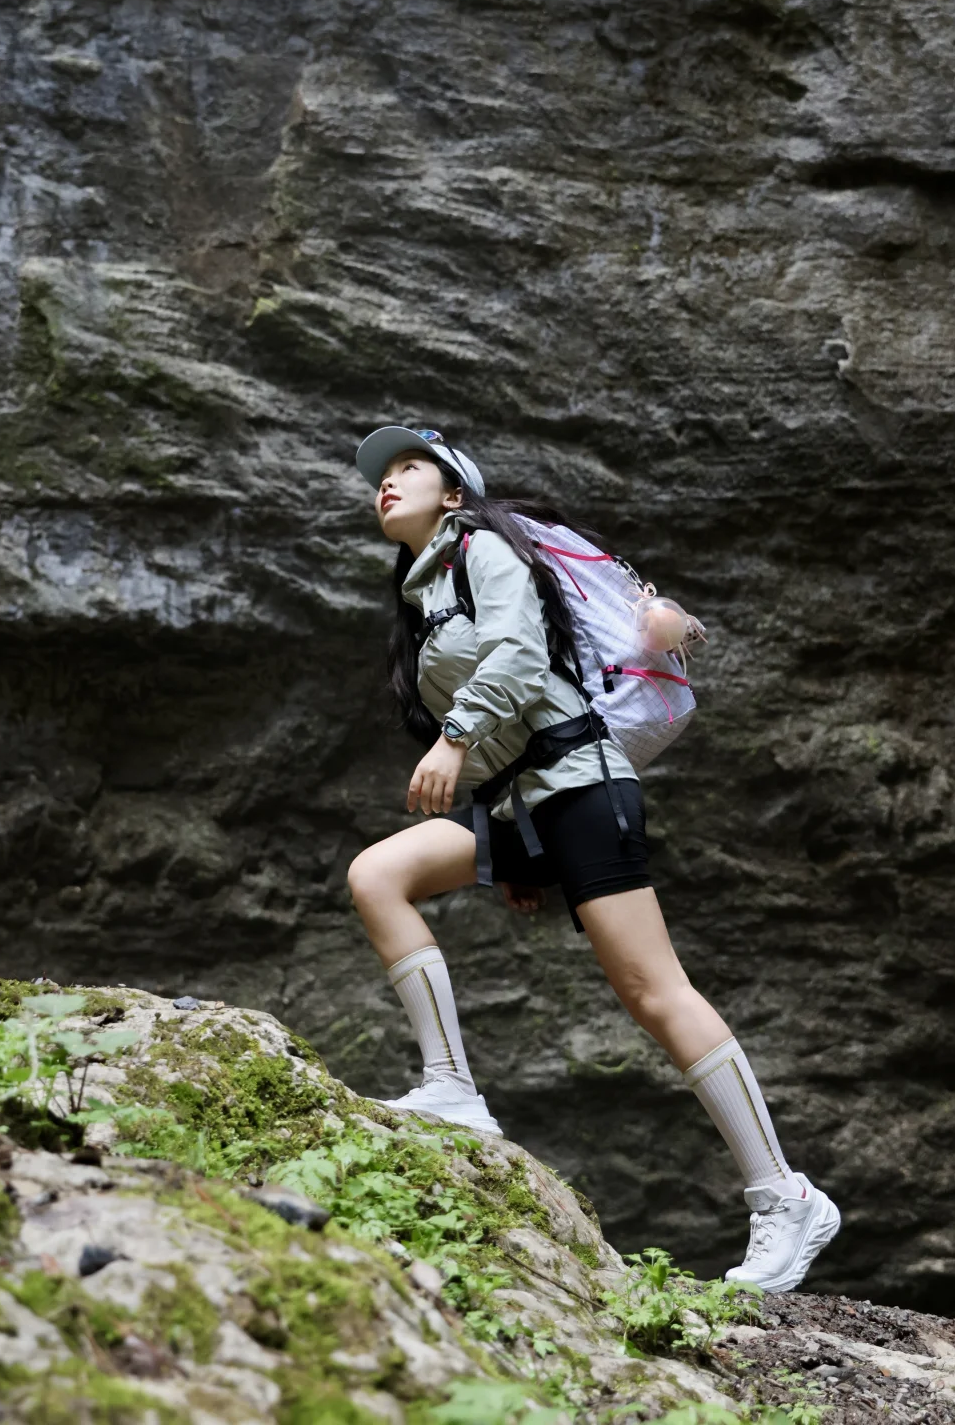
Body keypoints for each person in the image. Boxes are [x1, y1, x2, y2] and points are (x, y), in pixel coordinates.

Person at [346, 425, 841, 1293]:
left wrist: (454, 740)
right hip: (527, 803)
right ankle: (452, 1087)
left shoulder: (481, 549)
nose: (386, 483)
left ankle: (786, 1196)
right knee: (378, 875)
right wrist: (513, 846)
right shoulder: (425, 591)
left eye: (408, 468)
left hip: (582, 784)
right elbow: (509, 725)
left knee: (654, 991)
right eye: (380, 475)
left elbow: (520, 658)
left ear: (453, 493)